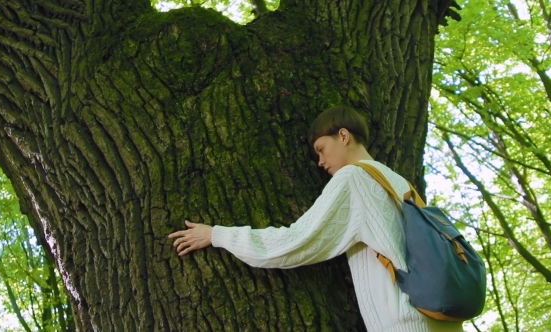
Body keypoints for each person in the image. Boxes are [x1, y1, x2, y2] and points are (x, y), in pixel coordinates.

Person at [168, 106, 464, 332]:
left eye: (321, 149)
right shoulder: (400, 182)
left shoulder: (354, 178)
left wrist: (218, 235)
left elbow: (298, 241)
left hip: (405, 323)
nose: (320, 162)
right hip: (443, 320)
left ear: (344, 135)